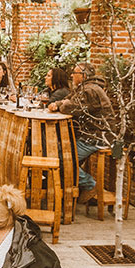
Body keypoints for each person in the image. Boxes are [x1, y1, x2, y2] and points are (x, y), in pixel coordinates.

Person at [47, 62, 112, 203]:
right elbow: (67, 101)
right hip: (89, 134)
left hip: (96, 136)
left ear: (82, 76)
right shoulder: (84, 88)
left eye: (74, 73)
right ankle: (73, 191)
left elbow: (71, 108)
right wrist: (59, 104)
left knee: (61, 157)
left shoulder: (89, 90)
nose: (71, 75)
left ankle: (89, 185)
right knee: (61, 152)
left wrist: (60, 105)